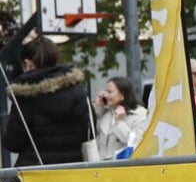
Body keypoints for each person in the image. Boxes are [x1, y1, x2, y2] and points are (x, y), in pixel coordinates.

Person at [3, 36, 91, 167]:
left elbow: (14, 143)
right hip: (73, 172)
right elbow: (88, 133)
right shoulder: (78, 91)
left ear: (28, 63)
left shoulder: (25, 95)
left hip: (35, 175)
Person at [94, 75, 149, 160]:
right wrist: (98, 106)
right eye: (105, 91)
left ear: (122, 95)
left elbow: (136, 143)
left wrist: (119, 123)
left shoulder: (140, 115)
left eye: (110, 92)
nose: (105, 95)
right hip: (102, 168)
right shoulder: (106, 113)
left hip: (124, 167)